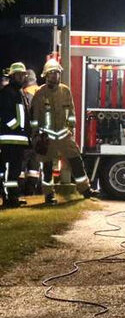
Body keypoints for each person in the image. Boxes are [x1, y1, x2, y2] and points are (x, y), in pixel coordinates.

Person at [31, 59, 97, 204]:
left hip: (64, 135)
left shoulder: (65, 91)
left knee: (76, 161)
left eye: (57, 73)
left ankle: (85, 190)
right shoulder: (40, 94)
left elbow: (71, 113)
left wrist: (70, 129)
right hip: (46, 137)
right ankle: (49, 195)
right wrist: (36, 135)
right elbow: (34, 118)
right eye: (52, 73)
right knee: (47, 167)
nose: (55, 76)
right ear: (46, 75)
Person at [0, 62, 30, 208]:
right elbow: (5, 115)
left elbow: (25, 116)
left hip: (19, 140)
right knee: (7, 171)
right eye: (18, 74)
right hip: (8, 139)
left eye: (23, 75)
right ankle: (8, 198)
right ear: (12, 76)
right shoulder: (7, 92)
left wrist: (27, 133)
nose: (21, 77)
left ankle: (13, 197)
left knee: (15, 172)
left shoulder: (20, 93)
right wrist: (17, 128)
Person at [20, 69, 40, 195]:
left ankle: (20, 191)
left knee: (21, 165)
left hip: (27, 135)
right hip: (40, 136)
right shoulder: (41, 92)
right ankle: (31, 191)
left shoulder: (24, 94)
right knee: (34, 166)